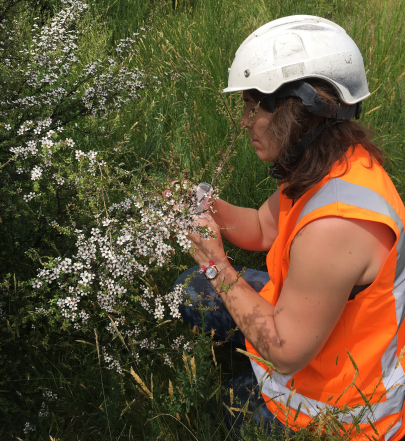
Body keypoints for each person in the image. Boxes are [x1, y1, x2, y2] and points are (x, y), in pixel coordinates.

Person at [172, 15, 405, 441]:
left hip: (339, 414)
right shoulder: (328, 165)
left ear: (301, 108)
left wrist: (216, 265)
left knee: (231, 402)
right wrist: (207, 207)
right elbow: (262, 228)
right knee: (190, 292)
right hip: (309, 329)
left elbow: (285, 353)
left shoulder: (336, 224)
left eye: (255, 106)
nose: (245, 121)